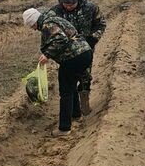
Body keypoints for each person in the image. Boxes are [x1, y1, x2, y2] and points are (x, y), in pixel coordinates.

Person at [22, 8, 92, 137]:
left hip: (73, 57)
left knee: (65, 91)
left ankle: (64, 128)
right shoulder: (53, 19)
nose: (33, 28)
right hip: (85, 53)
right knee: (71, 87)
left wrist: (47, 55)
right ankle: (76, 115)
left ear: (34, 21)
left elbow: (61, 39)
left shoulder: (47, 24)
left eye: (31, 25)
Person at [50, 0, 106, 116]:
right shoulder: (55, 11)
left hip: (86, 49)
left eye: (72, 4)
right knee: (69, 78)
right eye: (66, 4)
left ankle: (84, 102)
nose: (68, 7)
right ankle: (73, 108)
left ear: (77, 1)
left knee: (85, 75)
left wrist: (93, 39)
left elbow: (101, 24)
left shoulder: (91, 8)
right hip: (66, 52)